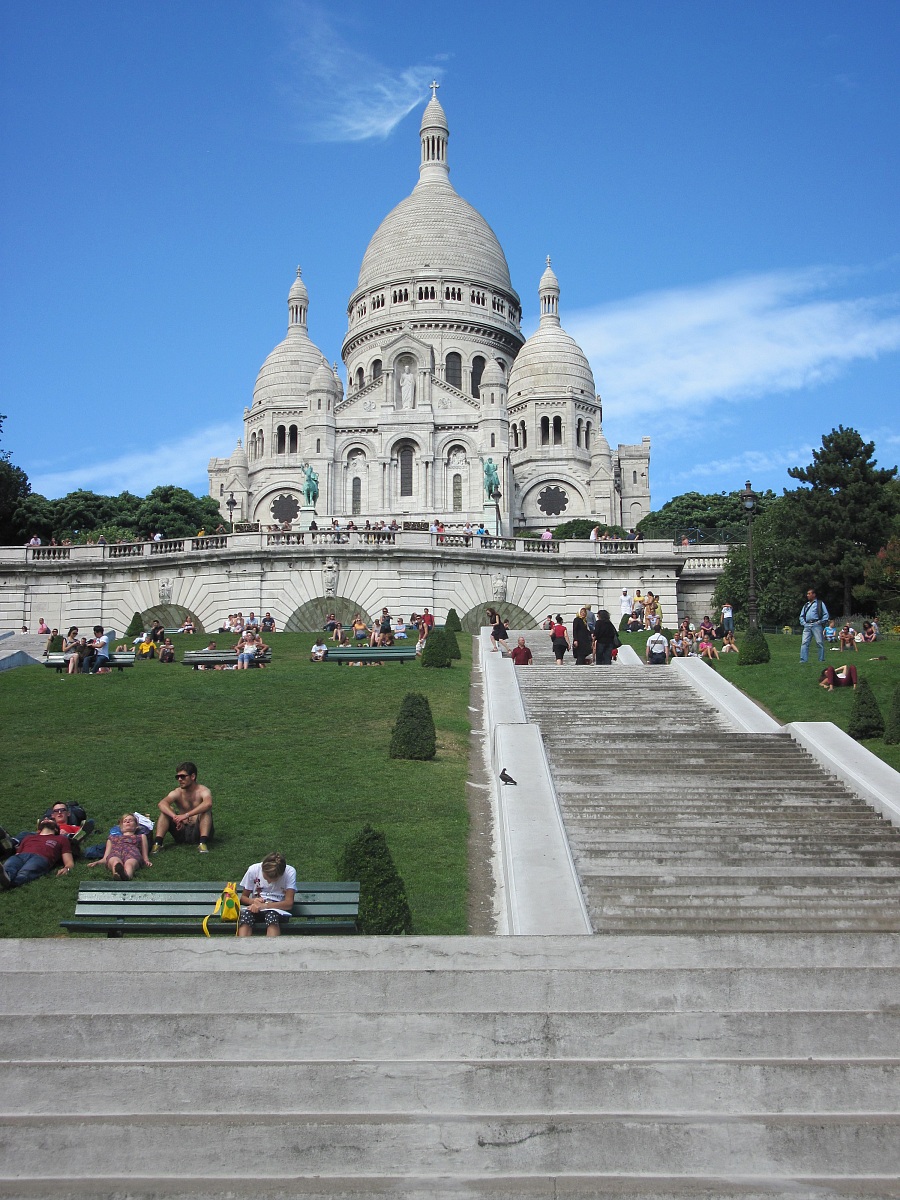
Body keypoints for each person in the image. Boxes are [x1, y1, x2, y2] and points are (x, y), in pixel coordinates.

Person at [152, 762, 213, 854]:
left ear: (193, 777)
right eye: (178, 777)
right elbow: (162, 804)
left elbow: (208, 804)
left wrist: (185, 815)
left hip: (198, 831)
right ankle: (157, 844)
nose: (180, 779)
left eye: (183, 776)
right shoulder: (177, 792)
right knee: (167, 811)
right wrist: (175, 817)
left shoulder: (203, 791)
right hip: (182, 830)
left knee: (205, 811)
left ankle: (202, 843)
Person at [0, 817, 75, 889]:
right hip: (20, 856)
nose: (46, 819)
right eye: (44, 819)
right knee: (9, 867)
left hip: (41, 858)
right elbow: (18, 853)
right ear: (39, 830)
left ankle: (7, 883)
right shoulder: (28, 837)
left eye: (50, 820)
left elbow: (69, 861)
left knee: (25, 873)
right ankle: (6, 880)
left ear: (56, 829)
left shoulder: (61, 839)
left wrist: (66, 868)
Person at [238, 852, 297, 937]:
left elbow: (289, 903)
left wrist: (264, 906)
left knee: (271, 915)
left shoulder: (290, 872)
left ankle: (271, 946)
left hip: (278, 909)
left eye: (274, 879)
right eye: (266, 878)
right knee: (246, 915)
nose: (269, 881)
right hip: (256, 907)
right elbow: (243, 898)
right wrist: (253, 901)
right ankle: (242, 945)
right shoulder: (253, 870)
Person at [89, 813, 152, 880]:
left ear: (136, 826)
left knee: (129, 864)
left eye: (130, 820)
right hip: (115, 853)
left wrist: (146, 860)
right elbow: (105, 857)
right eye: (125, 821)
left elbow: (145, 855)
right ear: (121, 827)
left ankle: (126, 876)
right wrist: (97, 862)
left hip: (132, 853)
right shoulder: (112, 837)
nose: (127, 822)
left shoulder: (141, 836)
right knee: (115, 862)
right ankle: (117, 874)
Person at [799, 588, 829, 663]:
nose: (807, 595)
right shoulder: (806, 605)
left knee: (819, 643)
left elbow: (826, 614)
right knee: (804, 643)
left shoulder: (819, 603)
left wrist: (820, 622)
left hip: (816, 625)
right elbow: (801, 616)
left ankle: (821, 659)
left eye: (809, 594)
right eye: (807, 594)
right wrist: (804, 623)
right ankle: (803, 660)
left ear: (814, 595)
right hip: (807, 625)